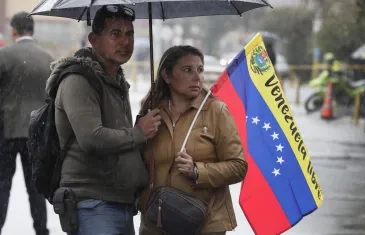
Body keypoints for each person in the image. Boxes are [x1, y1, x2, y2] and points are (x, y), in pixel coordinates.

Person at [45, 5, 161, 234]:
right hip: (93, 205)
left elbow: (120, 137)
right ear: (94, 39)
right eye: (115, 34)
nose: (125, 42)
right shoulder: (79, 80)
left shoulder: (116, 80)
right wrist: (138, 133)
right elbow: (92, 138)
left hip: (120, 203)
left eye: (130, 34)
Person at [137, 45, 248, 235]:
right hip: (157, 222)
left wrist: (197, 171)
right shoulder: (151, 112)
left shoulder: (216, 111)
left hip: (205, 224)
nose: (197, 77)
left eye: (200, 70)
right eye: (187, 70)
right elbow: (137, 166)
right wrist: (138, 134)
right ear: (167, 76)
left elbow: (238, 166)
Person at [0, 12, 53, 235]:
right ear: (32, 29)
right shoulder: (47, 58)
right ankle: (41, 229)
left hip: (7, 132)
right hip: (36, 133)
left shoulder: (4, 55)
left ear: (13, 30)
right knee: (36, 188)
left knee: (2, 187)